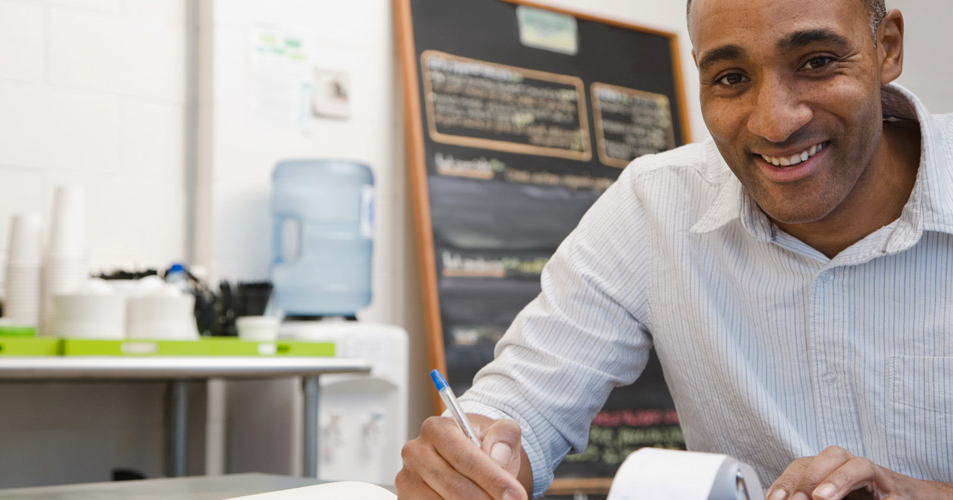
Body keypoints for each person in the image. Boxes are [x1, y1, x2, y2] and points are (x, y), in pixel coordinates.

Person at [397, 0, 953, 498]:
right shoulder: (655, 200)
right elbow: (526, 399)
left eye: (817, 62)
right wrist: (472, 460)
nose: (776, 121)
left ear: (887, 48)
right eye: (732, 77)